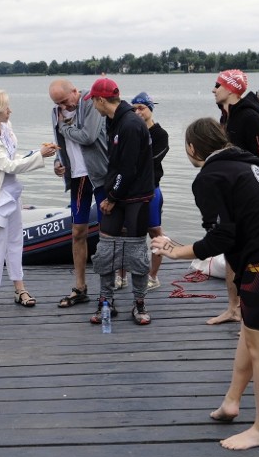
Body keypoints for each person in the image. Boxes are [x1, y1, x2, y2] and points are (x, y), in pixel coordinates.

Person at [152, 117, 259, 450]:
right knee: (250, 336)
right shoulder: (246, 165)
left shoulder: (210, 177)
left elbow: (222, 236)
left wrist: (175, 251)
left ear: (192, 148)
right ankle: (231, 402)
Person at [0, 89, 57, 312]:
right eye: (6, 107)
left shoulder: (5, 128)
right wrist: (40, 156)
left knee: (16, 240)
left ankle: (20, 287)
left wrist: (38, 152)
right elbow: (6, 165)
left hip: (11, 193)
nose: (10, 111)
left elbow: (13, 157)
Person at [85, 78, 154, 326]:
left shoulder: (131, 125)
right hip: (117, 189)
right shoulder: (113, 120)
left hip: (134, 196)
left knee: (136, 252)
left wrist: (111, 198)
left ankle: (139, 303)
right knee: (106, 249)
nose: (92, 105)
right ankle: (106, 300)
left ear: (101, 100)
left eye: (93, 100)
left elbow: (128, 169)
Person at [208, 69, 259, 325]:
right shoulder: (225, 116)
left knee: (250, 258)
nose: (213, 89)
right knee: (230, 254)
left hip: (248, 199)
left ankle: (251, 315)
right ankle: (233, 308)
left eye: (217, 85)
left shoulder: (249, 118)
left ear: (232, 88)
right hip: (229, 197)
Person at [48, 79, 108, 308]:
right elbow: (59, 142)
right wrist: (57, 161)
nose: (64, 106)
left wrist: (64, 127)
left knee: (108, 232)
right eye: (58, 103)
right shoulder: (56, 111)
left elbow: (89, 136)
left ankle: (107, 288)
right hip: (78, 178)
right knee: (77, 232)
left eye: (65, 101)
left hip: (100, 174)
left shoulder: (90, 103)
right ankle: (80, 286)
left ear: (75, 91)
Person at [131, 91, 169, 289]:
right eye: (134, 108)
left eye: (141, 108)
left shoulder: (160, 135)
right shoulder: (131, 131)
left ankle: (153, 276)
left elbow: (150, 161)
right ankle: (122, 276)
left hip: (152, 189)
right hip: (132, 191)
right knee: (127, 232)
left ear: (150, 109)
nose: (137, 112)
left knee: (155, 232)